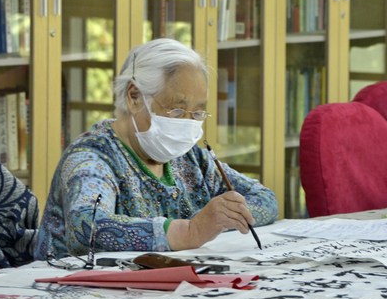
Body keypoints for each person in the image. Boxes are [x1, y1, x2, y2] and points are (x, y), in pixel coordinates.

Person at [35, 38, 278, 260]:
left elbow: (265, 199)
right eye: (175, 110)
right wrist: (190, 231)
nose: (187, 123)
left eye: (198, 113)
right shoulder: (92, 157)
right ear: (134, 97)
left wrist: (221, 218)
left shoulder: (189, 158)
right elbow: (86, 227)